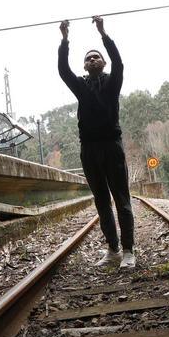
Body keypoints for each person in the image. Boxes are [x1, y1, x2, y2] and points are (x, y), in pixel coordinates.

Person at [58, 16, 135, 269]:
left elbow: (120, 62)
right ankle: (112, 250)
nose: (92, 59)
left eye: (96, 57)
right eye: (88, 58)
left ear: (102, 63)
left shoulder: (113, 82)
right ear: (85, 66)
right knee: (101, 201)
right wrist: (65, 40)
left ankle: (128, 251)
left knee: (121, 200)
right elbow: (63, 71)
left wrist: (103, 34)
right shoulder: (81, 86)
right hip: (88, 149)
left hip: (112, 146)